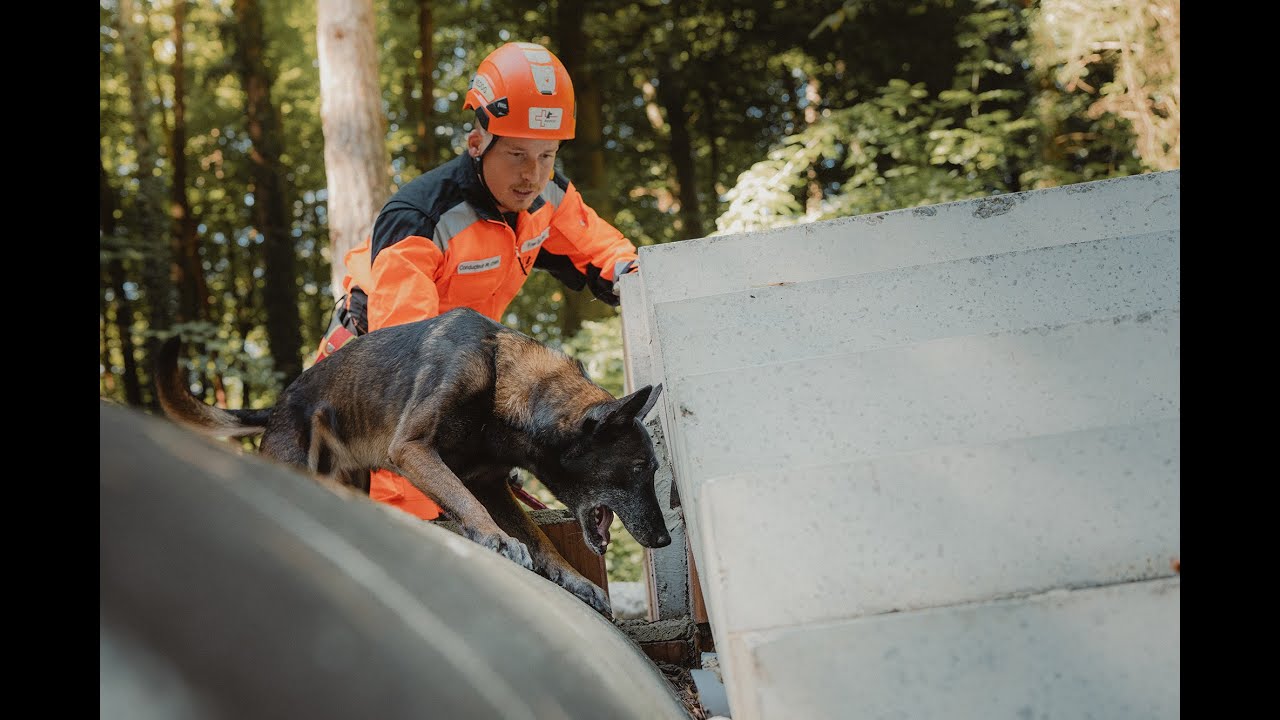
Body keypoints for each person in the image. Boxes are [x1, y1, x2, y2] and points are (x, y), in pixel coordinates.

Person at [313, 41, 640, 521]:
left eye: (547, 156)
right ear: (477, 142)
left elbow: (602, 250)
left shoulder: (548, 195)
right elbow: (404, 363)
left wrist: (628, 273)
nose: (532, 175)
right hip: (369, 390)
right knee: (406, 512)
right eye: (516, 154)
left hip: (451, 374)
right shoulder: (421, 218)